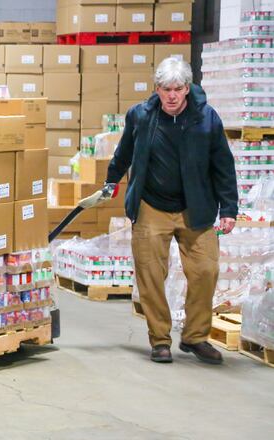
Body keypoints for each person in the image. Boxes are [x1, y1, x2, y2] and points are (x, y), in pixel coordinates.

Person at [102, 57, 238, 364]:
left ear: (187, 88)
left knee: (206, 270)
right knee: (151, 274)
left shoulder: (207, 119)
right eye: (166, 89)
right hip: (152, 205)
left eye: (178, 88)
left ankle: (194, 337)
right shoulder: (140, 115)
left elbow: (223, 166)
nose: (172, 95)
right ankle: (160, 340)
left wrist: (229, 208)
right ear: (157, 89)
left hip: (197, 207)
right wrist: (111, 181)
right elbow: (124, 152)